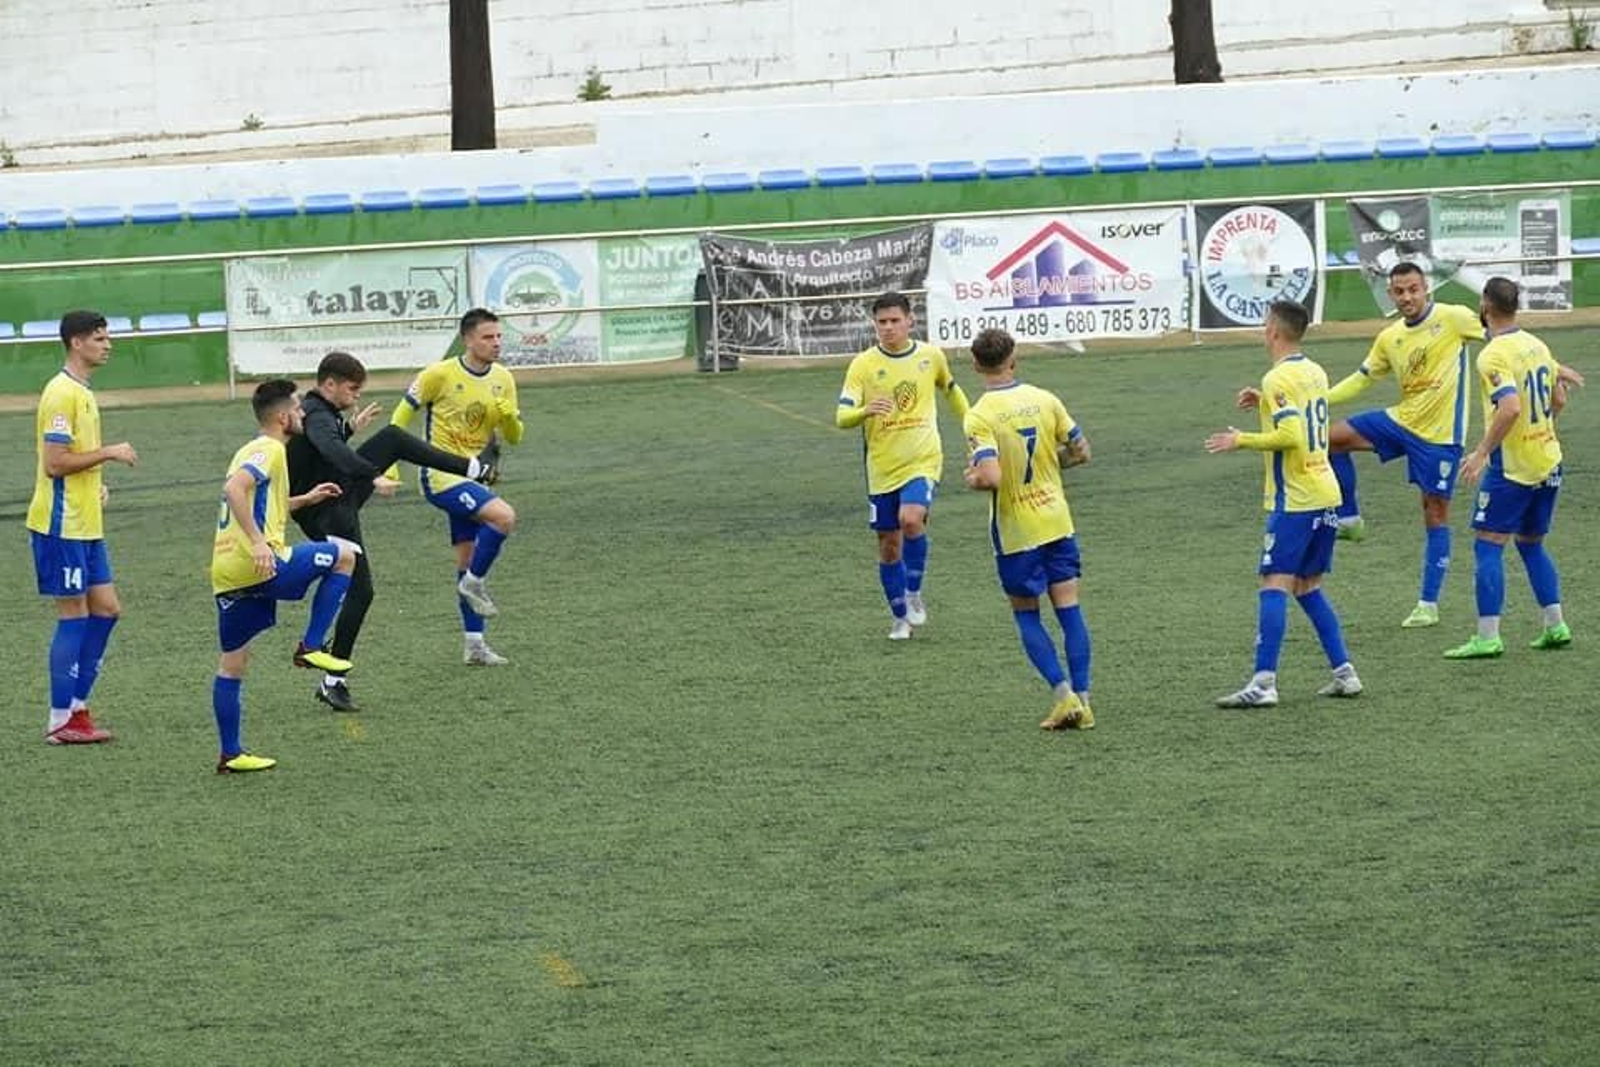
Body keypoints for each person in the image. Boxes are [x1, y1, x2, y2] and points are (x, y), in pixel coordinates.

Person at [1325, 262, 1582, 628]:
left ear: (1426, 288)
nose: (1407, 297)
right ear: (1391, 295)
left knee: (1434, 514)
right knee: (1329, 440)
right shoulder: (1389, 337)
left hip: (1439, 439)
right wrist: (1318, 400)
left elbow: (1505, 338)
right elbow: (1360, 380)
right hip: (1400, 421)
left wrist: (1552, 366)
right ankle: (1350, 519)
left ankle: (1428, 604)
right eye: (1399, 291)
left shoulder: (1455, 318)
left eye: (1413, 289)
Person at [289, 351, 501, 711]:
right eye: (353, 389)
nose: (356, 395)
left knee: (392, 438)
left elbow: (323, 447)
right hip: (326, 513)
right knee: (363, 592)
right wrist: (371, 474)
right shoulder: (315, 415)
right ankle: (332, 680)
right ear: (329, 385)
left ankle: (473, 468)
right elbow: (329, 448)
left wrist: (350, 428)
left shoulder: (321, 414)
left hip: (336, 496)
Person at [1206, 300, 1362, 708]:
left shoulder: (1278, 378)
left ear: (1273, 330)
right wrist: (1264, 401)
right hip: (1327, 492)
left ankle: (1263, 683)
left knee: (1274, 583)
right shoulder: (1314, 370)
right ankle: (1345, 673)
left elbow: (1292, 434)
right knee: (1308, 586)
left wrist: (1241, 439)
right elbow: (1308, 417)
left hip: (1298, 498)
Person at [211, 380, 359, 774]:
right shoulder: (271, 448)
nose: (303, 414)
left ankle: (231, 754)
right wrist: (259, 544)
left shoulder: (249, 449)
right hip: (258, 562)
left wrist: (304, 500)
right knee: (346, 555)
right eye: (297, 408)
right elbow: (234, 489)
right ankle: (310, 645)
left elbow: (254, 498)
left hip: (227, 572)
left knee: (233, 664)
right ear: (281, 417)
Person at [962, 328, 1094, 730]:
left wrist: (972, 479)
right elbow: (1081, 451)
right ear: (1013, 358)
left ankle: (1062, 695)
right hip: (1057, 519)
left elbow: (991, 477)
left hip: (1018, 529)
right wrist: (1054, 466)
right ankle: (1084, 701)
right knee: (1070, 611)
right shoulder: (1045, 398)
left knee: (1026, 615)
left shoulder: (980, 414)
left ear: (975, 365)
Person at [1444, 277, 1572, 659]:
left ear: (1485, 306)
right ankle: (1556, 625)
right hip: (1549, 459)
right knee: (1531, 544)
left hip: (1514, 468)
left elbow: (1511, 406)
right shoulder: (1537, 344)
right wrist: (1542, 429)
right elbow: (1559, 397)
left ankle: (1488, 636)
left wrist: (1483, 451)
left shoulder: (1493, 354)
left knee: (1488, 544)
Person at [26, 310, 138, 745]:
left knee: (107, 609)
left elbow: (73, 461)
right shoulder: (61, 393)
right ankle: (60, 720)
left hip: (85, 521)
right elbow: (54, 464)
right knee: (73, 614)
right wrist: (109, 452)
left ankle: (76, 707)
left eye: (107, 337)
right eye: (99, 338)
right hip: (61, 525)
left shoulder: (81, 391)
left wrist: (95, 486)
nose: (107, 344)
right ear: (76, 342)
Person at [388, 309, 522, 665]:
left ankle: (474, 644)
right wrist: (390, 467)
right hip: (440, 475)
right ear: (468, 339)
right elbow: (400, 417)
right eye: (487, 337)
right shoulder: (439, 374)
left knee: (466, 559)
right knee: (504, 518)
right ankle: (475, 583)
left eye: (498, 337)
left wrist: (508, 417)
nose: (495, 343)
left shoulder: (504, 379)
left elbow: (514, 438)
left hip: (474, 475)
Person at [835, 291, 970, 639]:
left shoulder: (930, 356)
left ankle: (913, 592)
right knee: (888, 544)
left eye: (895, 321)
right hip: (882, 467)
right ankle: (899, 617)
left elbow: (951, 390)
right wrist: (865, 411)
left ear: (910, 321)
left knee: (911, 519)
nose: (889, 328)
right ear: (874, 325)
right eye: (882, 322)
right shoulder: (863, 365)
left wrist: (974, 430)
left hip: (923, 458)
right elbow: (841, 417)